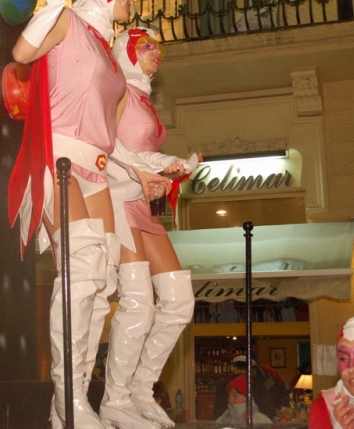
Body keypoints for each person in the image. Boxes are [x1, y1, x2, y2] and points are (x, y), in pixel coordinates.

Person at [8, 0, 172, 429]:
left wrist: (138, 172)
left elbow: (112, 135)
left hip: (97, 166)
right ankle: (69, 400)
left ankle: (72, 402)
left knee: (102, 284)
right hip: (58, 157)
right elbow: (22, 53)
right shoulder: (69, 23)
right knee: (80, 272)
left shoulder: (109, 53)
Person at [99, 28, 199, 429]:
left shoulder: (140, 94)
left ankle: (140, 388)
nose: (155, 52)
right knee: (139, 301)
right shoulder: (119, 89)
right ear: (125, 51)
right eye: (145, 45)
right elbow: (104, 141)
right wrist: (145, 169)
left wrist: (174, 165)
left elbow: (141, 152)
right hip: (120, 199)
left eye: (157, 46)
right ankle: (116, 398)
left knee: (179, 302)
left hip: (143, 203)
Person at [213, 354, 291, 421]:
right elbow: (267, 407)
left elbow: (217, 410)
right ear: (252, 370)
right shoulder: (258, 384)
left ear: (234, 368)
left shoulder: (222, 384)